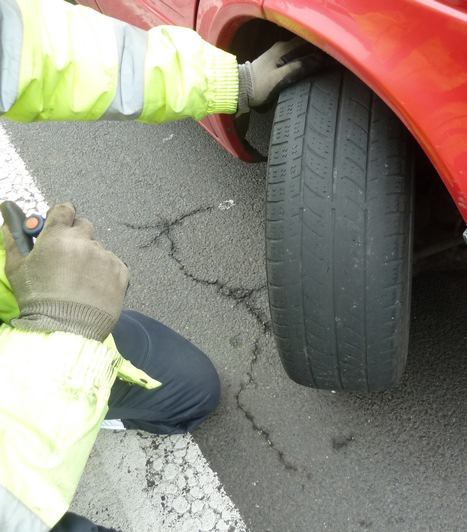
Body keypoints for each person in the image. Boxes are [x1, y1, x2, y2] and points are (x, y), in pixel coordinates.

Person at [0, 0, 323, 530]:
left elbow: (42, 53)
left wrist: (231, 80)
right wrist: (62, 332)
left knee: (193, 390)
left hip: (18, 308)